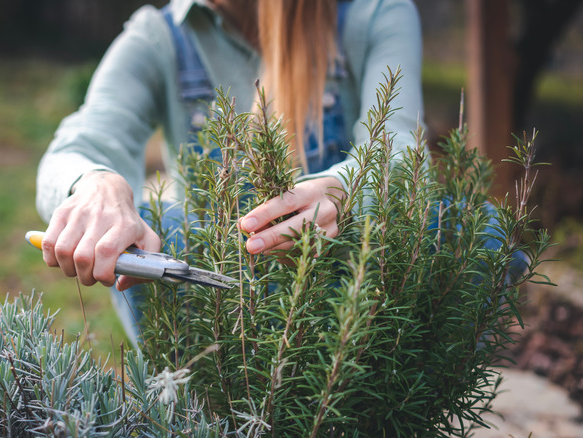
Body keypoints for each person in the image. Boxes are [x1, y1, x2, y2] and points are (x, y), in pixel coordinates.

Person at [35, 0, 425, 342]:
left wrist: (347, 191)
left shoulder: (374, 14)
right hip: (217, 316)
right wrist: (97, 185)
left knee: (471, 225)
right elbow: (78, 146)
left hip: (351, 302)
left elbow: (401, 149)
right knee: (157, 224)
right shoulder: (160, 36)